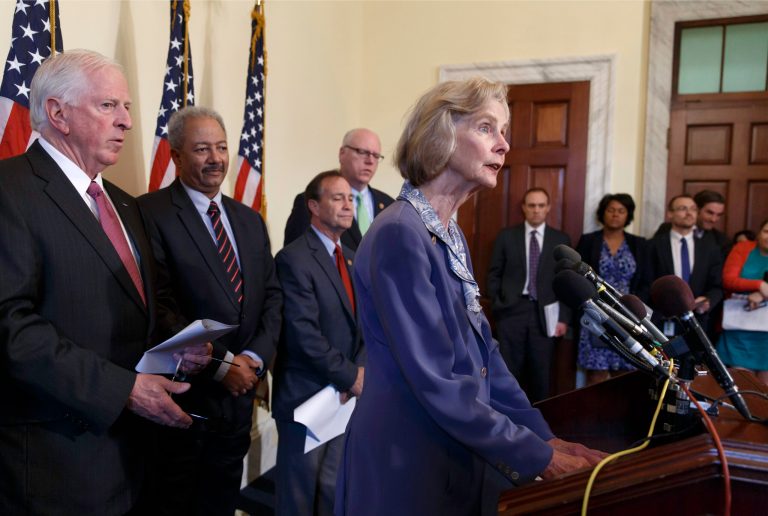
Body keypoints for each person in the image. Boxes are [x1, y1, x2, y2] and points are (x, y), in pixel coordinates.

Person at [335, 78, 605, 516]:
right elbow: (438, 380)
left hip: (450, 453)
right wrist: (540, 458)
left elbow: (485, 358)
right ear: (440, 136)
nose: (504, 145)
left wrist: (544, 437)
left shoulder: (448, 233)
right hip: (404, 460)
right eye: (486, 128)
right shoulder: (400, 234)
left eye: (504, 131)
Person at [0, 50, 209, 515]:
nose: (127, 122)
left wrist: (178, 346)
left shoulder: (123, 203)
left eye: (128, 107)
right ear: (58, 113)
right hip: (56, 463)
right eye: (109, 106)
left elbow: (135, 306)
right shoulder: (10, 190)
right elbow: (10, 326)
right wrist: (123, 391)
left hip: (133, 458)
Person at [137, 106, 282, 515]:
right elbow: (158, 305)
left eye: (221, 147)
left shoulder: (249, 219)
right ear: (177, 156)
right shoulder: (149, 213)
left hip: (240, 398)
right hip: (186, 398)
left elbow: (272, 296)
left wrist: (252, 359)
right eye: (202, 149)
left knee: (222, 500)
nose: (216, 159)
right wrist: (223, 365)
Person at [273, 170, 365, 516]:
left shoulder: (354, 257)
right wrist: (351, 377)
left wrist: (360, 372)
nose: (346, 205)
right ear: (313, 205)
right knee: (298, 497)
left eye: (350, 198)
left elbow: (366, 327)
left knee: (332, 489)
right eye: (337, 197)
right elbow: (302, 335)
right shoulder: (294, 259)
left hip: (345, 398)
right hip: (307, 396)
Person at [487, 188, 571, 402]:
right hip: (511, 312)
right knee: (507, 370)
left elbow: (567, 282)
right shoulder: (507, 236)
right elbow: (494, 273)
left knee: (540, 372)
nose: (536, 210)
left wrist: (563, 318)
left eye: (541, 205)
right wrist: (498, 303)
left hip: (545, 314)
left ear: (548, 208)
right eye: (531, 205)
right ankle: (506, 418)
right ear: (524, 208)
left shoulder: (560, 239)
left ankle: (538, 422)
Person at [575, 193, 646, 385]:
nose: (615, 215)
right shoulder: (589, 241)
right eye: (611, 210)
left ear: (628, 215)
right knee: (595, 375)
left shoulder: (639, 244)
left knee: (624, 375)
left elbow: (646, 280)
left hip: (628, 316)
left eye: (621, 211)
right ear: (602, 213)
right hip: (595, 313)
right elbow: (577, 276)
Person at [283, 128, 394, 249]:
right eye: (362, 152)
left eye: (376, 155)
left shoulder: (390, 206)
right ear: (342, 153)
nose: (370, 161)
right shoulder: (312, 201)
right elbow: (295, 256)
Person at [642, 194, 723, 336]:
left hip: (697, 323)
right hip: (661, 322)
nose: (689, 213)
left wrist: (708, 300)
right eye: (682, 209)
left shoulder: (710, 247)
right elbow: (645, 283)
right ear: (670, 214)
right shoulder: (653, 245)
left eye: (693, 209)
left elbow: (717, 286)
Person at [716, 219, 768, 384]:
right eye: (766, 231)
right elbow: (728, 280)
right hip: (740, 329)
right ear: (759, 232)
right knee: (741, 388)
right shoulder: (743, 248)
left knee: (764, 396)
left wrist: (763, 294)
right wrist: (759, 285)